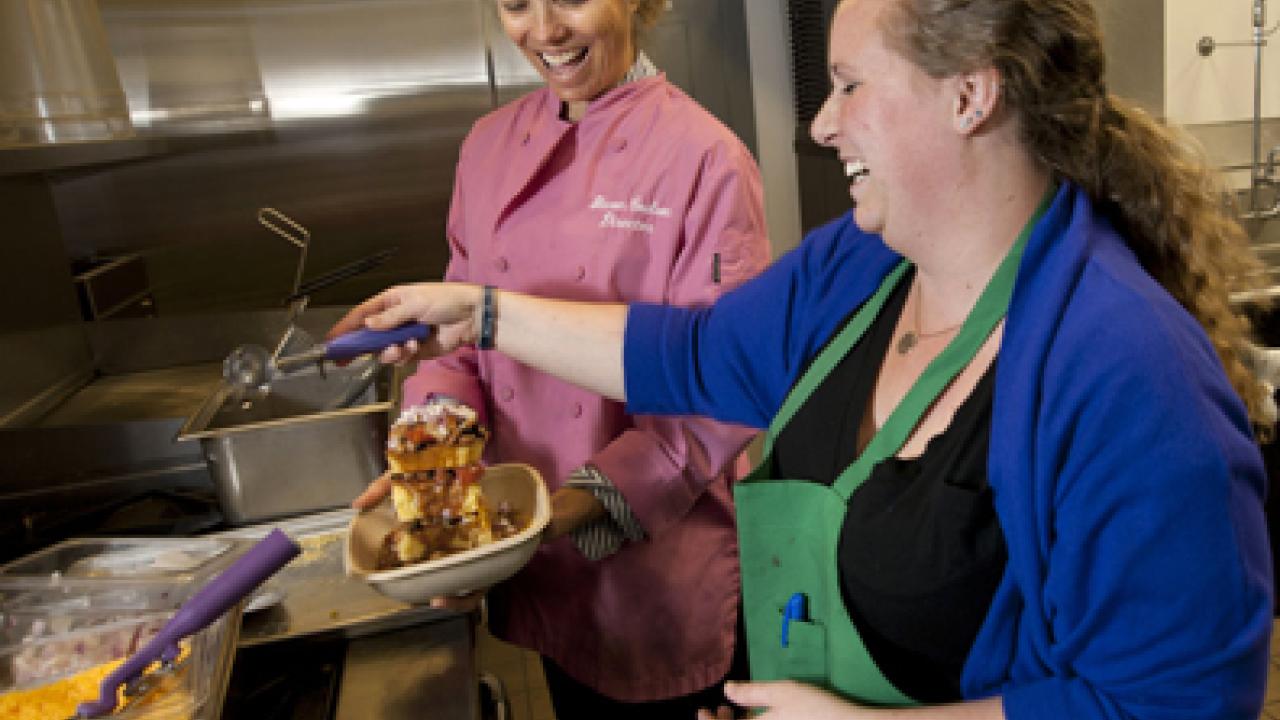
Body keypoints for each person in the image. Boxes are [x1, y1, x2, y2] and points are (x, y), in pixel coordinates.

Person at [333, 0, 1275, 717]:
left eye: (851, 85)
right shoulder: (860, 262)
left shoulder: (1131, 375)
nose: (823, 126)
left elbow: (1172, 703)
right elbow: (694, 354)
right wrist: (480, 315)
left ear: (970, 94)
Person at [353, 0, 770, 717]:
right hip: (538, 558)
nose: (544, 32)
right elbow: (457, 340)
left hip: (655, 569)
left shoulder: (705, 158)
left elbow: (718, 398)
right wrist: (438, 474)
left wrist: (553, 516)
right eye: (517, 4)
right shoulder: (487, 146)